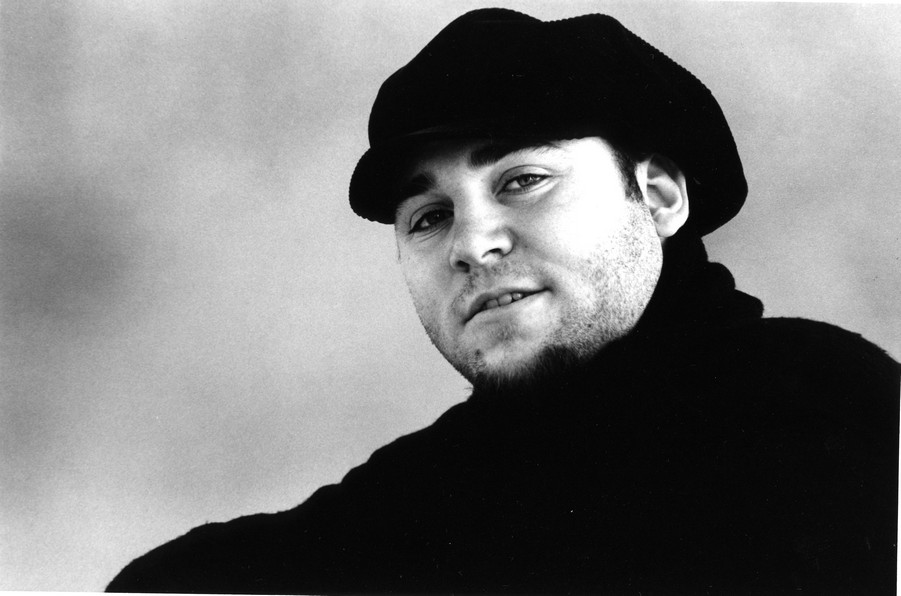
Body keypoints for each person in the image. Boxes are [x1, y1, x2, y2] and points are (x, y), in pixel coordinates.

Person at [108, 8, 899, 594]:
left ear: (658, 197)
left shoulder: (821, 406)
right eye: (428, 216)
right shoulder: (439, 479)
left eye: (522, 180)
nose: (470, 243)